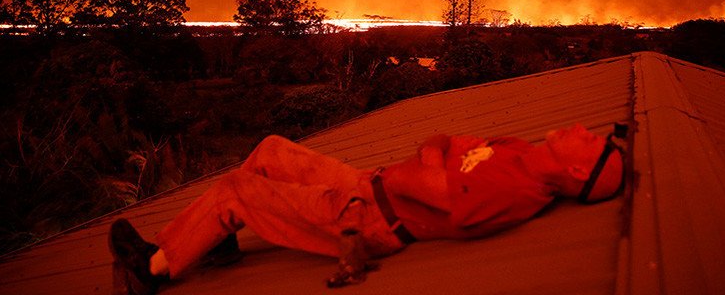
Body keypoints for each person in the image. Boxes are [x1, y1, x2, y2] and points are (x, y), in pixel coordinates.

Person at [108, 123, 626, 295]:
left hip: (371, 218)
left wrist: (430, 164)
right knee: (269, 151)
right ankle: (217, 241)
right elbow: (441, 141)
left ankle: (152, 270)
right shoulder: (518, 150)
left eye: (591, 139)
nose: (582, 128)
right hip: (368, 185)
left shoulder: (518, 190)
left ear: (579, 173)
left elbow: (435, 188)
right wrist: (430, 161)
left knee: (236, 189)